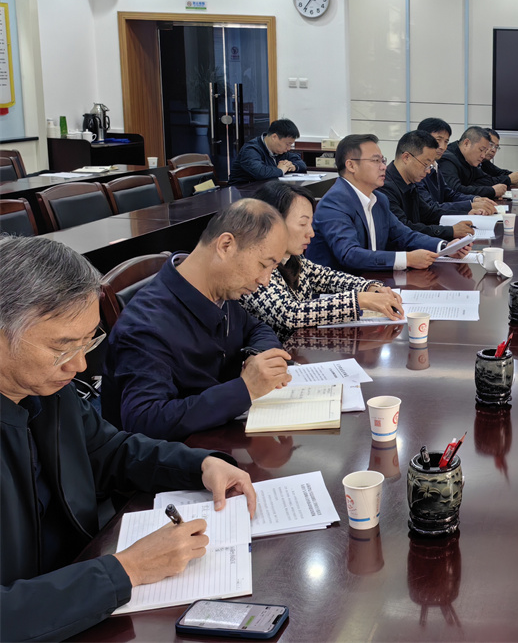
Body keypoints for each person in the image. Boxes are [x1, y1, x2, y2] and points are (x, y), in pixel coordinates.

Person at [0, 236, 257, 641]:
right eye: (61, 348)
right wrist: (126, 570)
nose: (80, 365)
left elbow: (109, 451)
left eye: (89, 341)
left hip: (82, 590)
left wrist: (200, 465)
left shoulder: (47, 389)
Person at [103, 199, 292, 441]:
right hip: (181, 454)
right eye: (263, 265)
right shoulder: (145, 326)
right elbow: (145, 420)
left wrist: (261, 359)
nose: (265, 280)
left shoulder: (221, 290)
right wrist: (244, 389)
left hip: (223, 436)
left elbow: (256, 328)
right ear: (225, 245)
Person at [239, 181, 405, 338]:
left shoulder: (293, 259)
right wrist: (360, 300)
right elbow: (289, 314)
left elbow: (329, 278)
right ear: (272, 223)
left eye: (310, 224)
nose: (311, 233)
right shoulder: (254, 266)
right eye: (303, 224)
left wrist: (371, 287)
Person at [307, 134, 471, 274]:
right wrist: (407, 259)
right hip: (337, 293)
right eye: (375, 161)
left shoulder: (379, 199)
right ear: (351, 165)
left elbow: (404, 235)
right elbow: (350, 254)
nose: (383, 167)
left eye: (383, 160)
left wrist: (445, 247)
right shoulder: (334, 203)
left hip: (372, 283)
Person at [382, 130, 479, 242]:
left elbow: (429, 213)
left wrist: (466, 213)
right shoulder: (385, 188)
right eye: (426, 164)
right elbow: (404, 229)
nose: (428, 171)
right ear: (406, 158)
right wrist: (450, 231)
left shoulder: (410, 182)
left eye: (431, 165)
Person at [416, 118, 497, 216]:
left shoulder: (434, 166)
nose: (442, 147)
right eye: (438, 140)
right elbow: (429, 208)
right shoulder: (417, 170)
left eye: (446, 142)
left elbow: (449, 194)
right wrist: (469, 206)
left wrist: (474, 199)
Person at [438, 126, 508, 201]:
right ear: (466, 143)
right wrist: (491, 191)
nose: (483, 156)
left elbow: (485, 179)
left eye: (485, 151)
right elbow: (454, 191)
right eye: (481, 150)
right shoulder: (447, 160)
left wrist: (471, 188)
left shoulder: (470, 160)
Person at [228, 118, 307, 184]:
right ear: (274, 137)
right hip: (242, 192)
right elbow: (260, 173)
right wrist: (281, 170)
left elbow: (301, 164)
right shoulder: (251, 149)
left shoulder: (280, 151)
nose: (289, 148)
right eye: (287, 144)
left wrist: (293, 167)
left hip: (266, 190)